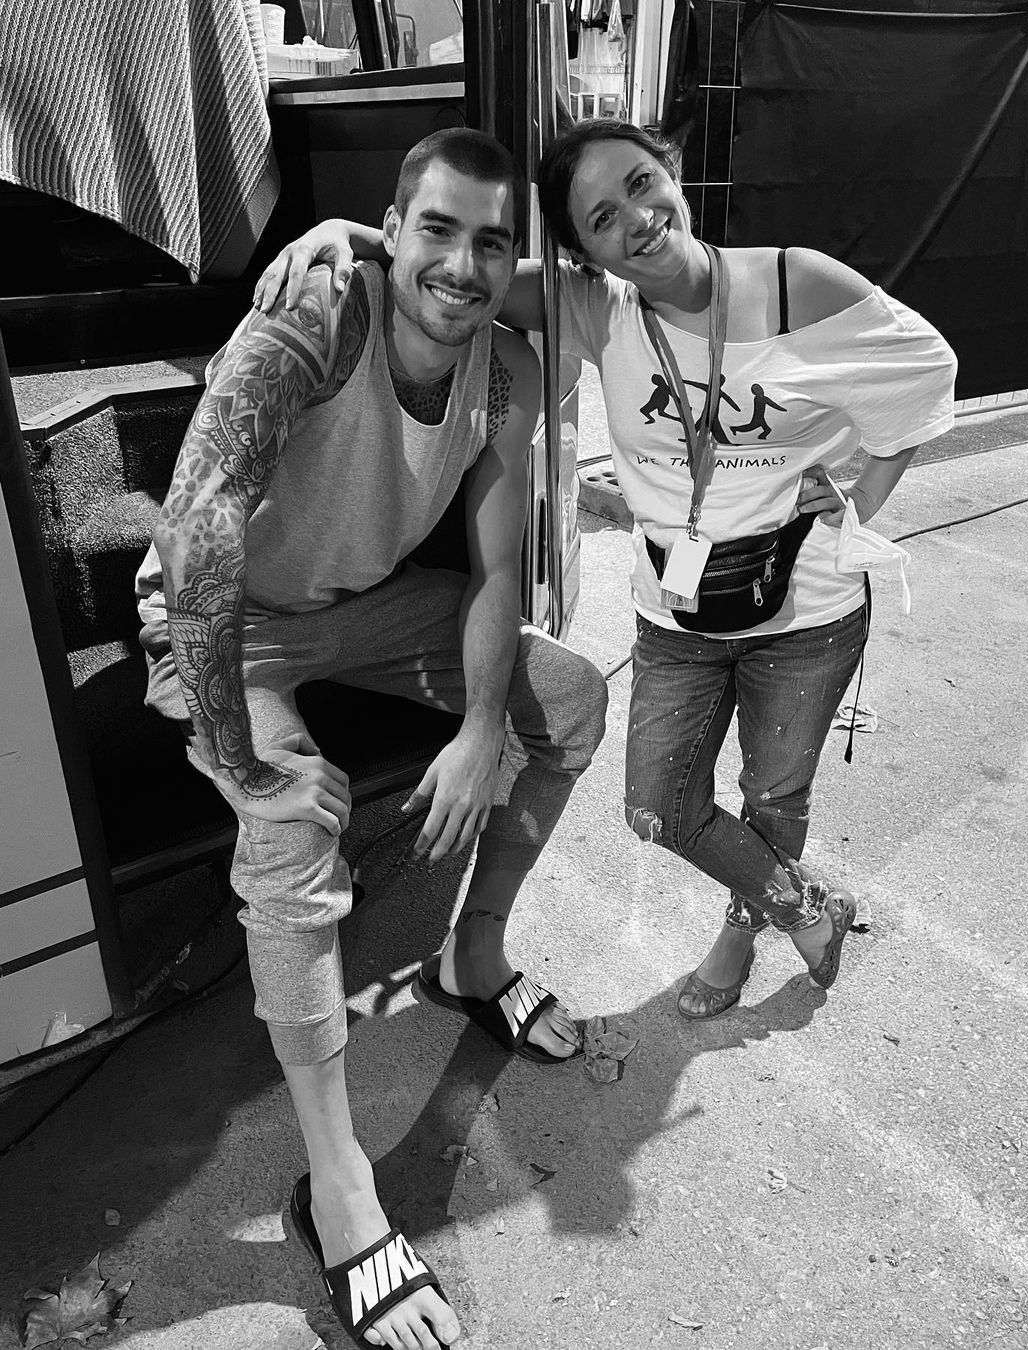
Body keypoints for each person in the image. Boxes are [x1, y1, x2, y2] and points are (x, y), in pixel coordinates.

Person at [254, 117, 956, 1027]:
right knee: (657, 806)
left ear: (671, 171)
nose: (636, 219)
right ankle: (809, 905)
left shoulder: (798, 282)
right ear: (584, 253)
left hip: (805, 609)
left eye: (639, 183)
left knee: (773, 795)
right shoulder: (597, 308)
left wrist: (859, 492)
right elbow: (460, 272)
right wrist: (340, 235)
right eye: (600, 218)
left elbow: (925, 369)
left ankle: (744, 933)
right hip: (675, 612)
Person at [138, 127, 608, 1350]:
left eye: (492, 243)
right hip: (216, 622)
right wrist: (250, 764)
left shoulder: (505, 372)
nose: (462, 264)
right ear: (389, 233)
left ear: (517, 262)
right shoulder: (317, 315)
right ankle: (341, 1187)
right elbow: (197, 536)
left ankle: (474, 959)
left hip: (355, 610)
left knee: (572, 700)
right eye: (435, 230)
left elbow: (498, 567)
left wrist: (486, 723)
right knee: (292, 823)